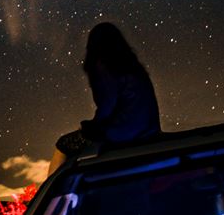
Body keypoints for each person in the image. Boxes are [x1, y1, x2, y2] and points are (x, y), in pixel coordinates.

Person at [47, 22, 161, 175]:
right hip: (148, 131)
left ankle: (52, 187)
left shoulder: (106, 67)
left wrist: (90, 127)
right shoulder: (134, 68)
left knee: (63, 145)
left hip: (124, 134)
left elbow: (106, 108)